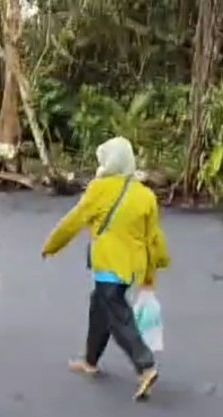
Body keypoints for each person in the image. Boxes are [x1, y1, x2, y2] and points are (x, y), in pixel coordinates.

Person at [41, 137, 170, 401]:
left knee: (116, 314)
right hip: (132, 266)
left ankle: (145, 366)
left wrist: (52, 245)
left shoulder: (100, 189)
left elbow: (74, 221)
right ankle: (91, 361)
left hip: (109, 263)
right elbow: (153, 237)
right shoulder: (145, 195)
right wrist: (153, 269)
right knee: (100, 306)